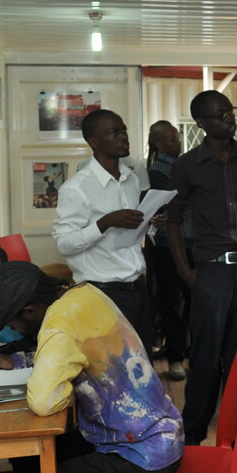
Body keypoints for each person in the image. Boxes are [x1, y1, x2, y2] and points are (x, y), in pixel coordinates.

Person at [0, 261, 184, 473]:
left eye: (15, 325)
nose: (16, 332)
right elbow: (76, 352)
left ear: (30, 311)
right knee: (29, 461)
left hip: (138, 454)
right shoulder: (84, 294)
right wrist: (17, 361)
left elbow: (44, 401)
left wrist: (56, 379)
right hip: (157, 433)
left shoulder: (58, 326)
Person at [166, 89, 237, 473]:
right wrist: (185, 270)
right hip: (211, 272)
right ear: (202, 123)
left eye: (230, 111)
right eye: (219, 115)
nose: (228, 119)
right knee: (206, 363)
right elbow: (173, 220)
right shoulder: (186, 165)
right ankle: (192, 442)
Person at [52, 109, 151, 346]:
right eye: (114, 132)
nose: (123, 136)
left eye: (124, 130)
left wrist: (150, 222)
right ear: (93, 142)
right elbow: (64, 243)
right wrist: (105, 222)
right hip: (103, 293)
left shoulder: (131, 178)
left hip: (138, 287)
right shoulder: (76, 188)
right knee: (113, 372)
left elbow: (131, 233)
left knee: (143, 365)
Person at [145, 119, 192, 380]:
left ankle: (192, 352)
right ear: (158, 144)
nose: (178, 142)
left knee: (195, 300)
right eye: (172, 139)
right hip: (166, 245)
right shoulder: (155, 172)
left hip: (194, 244)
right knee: (172, 302)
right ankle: (175, 358)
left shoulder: (188, 164)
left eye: (177, 138)